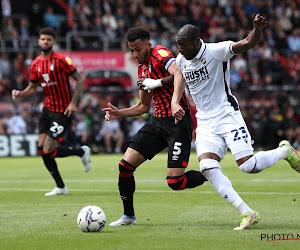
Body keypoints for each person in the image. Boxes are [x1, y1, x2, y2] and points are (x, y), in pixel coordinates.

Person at [168, 14, 300, 230]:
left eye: (183, 45)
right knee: (207, 167)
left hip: (227, 115)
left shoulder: (215, 51)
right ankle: (247, 212)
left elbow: (247, 43)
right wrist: (175, 101)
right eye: (178, 46)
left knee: (249, 166)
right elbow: (180, 76)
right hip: (205, 120)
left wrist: (256, 29)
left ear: (196, 41)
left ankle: (284, 151)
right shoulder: (182, 59)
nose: (180, 50)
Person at [102, 27, 207, 226]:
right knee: (125, 166)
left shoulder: (160, 54)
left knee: (175, 182)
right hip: (157, 122)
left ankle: (210, 174)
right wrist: (120, 113)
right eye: (131, 50)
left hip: (177, 122)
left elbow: (179, 73)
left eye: (138, 49)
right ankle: (128, 216)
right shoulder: (142, 69)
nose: (135, 54)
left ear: (148, 45)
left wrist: (174, 101)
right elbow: (143, 106)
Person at [11, 27, 92, 196]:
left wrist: (73, 103)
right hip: (47, 110)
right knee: (41, 149)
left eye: (48, 39)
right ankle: (61, 186)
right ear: (39, 41)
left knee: (48, 149)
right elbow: (32, 87)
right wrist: (21, 94)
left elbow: (79, 79)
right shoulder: (35, 64)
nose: (45, 42)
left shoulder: (61, 60)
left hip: (62, 111)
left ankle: (81, 152)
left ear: (54, 42)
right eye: (43, 39)